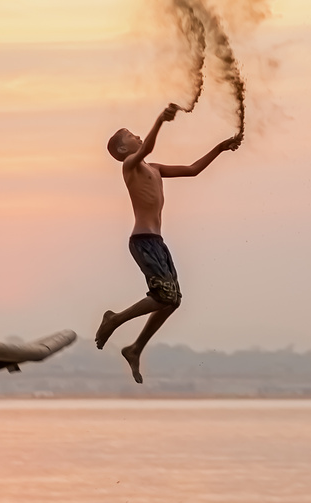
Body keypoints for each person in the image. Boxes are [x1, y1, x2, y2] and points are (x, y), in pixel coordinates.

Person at [96, 103, 240, 382]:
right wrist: (160, 119)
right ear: (123, 150)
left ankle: (135, 348)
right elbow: (146, 149)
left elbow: (193, 169)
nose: (137, 136)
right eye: (131, 136)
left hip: (157, 242)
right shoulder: (130, 166)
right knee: (165, 296)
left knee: (173, 301)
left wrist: (220, 148)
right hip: (142, 240)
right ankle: (114, 319)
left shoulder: (156, 169)